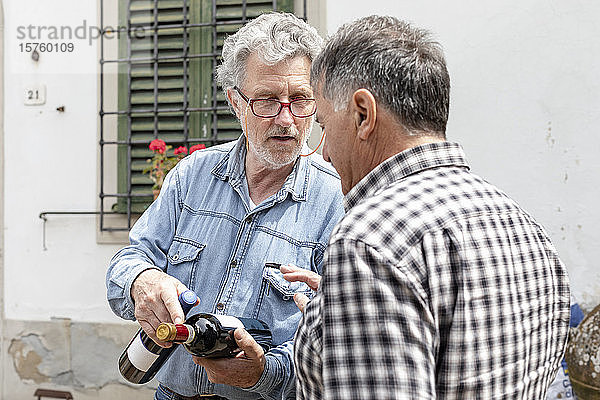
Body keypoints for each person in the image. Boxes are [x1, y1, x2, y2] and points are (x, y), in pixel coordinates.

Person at [285, 15, 571, 399]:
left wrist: (364, 283)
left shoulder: (369, 242)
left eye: (322, 124)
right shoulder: (522, 224)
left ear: (363, 114)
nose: (325, 151)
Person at [106, 12, 344, 400]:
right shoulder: (192, 176)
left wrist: (262, 373)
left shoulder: (336, 202)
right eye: (267, 100)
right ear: (236, 102)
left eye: (300, 100)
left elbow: (332, 340)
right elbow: (130, 258)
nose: (286, 119)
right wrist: (140, 281)